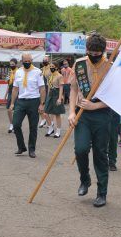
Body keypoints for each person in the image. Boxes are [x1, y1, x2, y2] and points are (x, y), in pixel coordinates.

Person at [69, 33, 111, 207]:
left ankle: (102, 193)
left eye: (97, 53)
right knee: (80, 149)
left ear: (103, 51)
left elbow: (116, 96)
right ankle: (84, 180)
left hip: (102, 113)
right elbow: (73, 90)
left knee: (101, 154)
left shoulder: (111, 67)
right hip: (82, 114)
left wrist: (96, 106)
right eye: (90, 53)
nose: (93, 56)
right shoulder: (79, 64)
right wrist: (71, 112)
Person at [10, 52, 46, 158]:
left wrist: (42, 104)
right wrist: (12, 103)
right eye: (25, 61)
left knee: (33, 127)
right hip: (21, 101)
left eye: (29, 61)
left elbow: (42, 88)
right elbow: (15, 88)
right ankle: (21, 147)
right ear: (21, 61)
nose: (27, 63)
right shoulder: (18, 72)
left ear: (31, 61)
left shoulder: (37, 72)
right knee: (16, 124)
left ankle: (31, 149)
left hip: (34, 101)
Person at [43, 61, 65, 138]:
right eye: (50, 66)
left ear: (56, 67)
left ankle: (58, 131)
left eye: (53, 66)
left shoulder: (59, 76)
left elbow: (61, 88)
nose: (51, 68)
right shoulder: (50, 76)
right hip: (50, 95)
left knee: (57, 114)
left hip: (57, 94)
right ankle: (50, 128)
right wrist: (47, 97)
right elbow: (49, 87)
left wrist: (59, 98)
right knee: (45, 113)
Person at [38, 55, 53, 129]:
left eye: (46, 60)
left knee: (48, 106)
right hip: (42, 87)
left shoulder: (51, 68)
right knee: (40, 104)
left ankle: (51, 122)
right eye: (43, 60)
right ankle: (43, 119)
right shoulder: (41, 69)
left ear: (49, 61)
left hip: (49, 87)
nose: (44, 61)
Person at [4, 58, 18, 133]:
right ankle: (11, 124)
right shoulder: (10, 73)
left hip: (17, 92)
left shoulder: (18, 72)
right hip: (10, 92)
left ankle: (16, 126)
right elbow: (8, 85)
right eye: (10, 64)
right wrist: (5, 95)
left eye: (13, 64)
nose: (11, 65)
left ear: (16, 64)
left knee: (16, 110)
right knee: (9, 110)